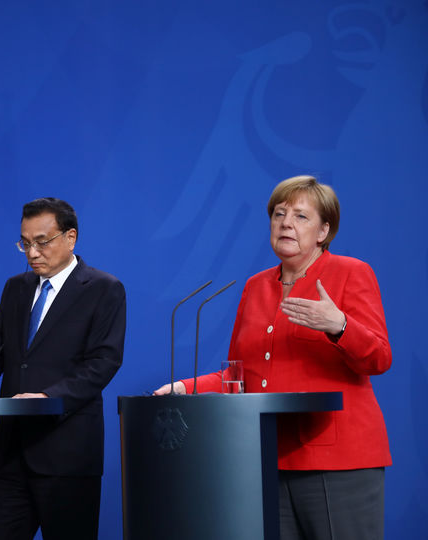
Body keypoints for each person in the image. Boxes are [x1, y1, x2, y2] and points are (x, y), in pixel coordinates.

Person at [154, 175, 391, 540]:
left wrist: (340, 325)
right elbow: (239, 375)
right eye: (279, 214)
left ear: (324, 231)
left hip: (339, 460)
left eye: (300, 216)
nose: (286, 224)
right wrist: (184, 387)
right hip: (268, 459)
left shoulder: (350, 273)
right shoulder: (255, 286)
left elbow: (378, 358)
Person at [0, 197, 126, 540]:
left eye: (42, 242)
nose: (32, 252)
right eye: (26, 243)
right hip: (10, 455)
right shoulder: (15, 288)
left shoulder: (104, 289)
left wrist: (47, 397)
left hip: (67, 455)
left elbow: (103, 363)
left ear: (70, 237)